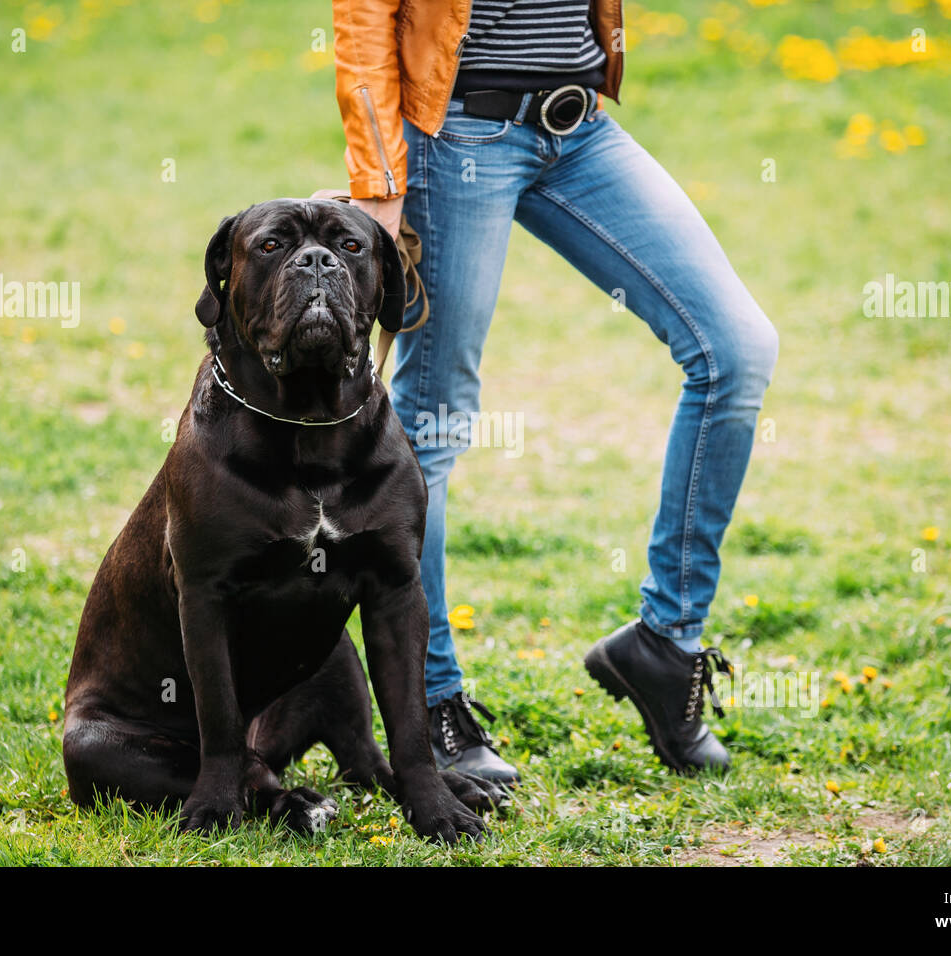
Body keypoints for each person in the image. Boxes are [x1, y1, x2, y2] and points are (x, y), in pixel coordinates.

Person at [332, 0, 778, 784]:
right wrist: (377, 174)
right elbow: (365, 13)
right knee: (430, 426)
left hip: (580, 127)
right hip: (458, 132)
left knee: (735, 350)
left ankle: (665, 644)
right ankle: (429, 703)